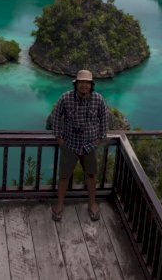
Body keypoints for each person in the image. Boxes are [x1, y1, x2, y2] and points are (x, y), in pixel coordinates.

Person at [50, 69, 108, 222]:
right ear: (76, 84)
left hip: (89, 145)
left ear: (91, 85)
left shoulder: (98, 99)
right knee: (64, 176)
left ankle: (92, 203)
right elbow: (55, 117)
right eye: (81, 82)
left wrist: (100, 139)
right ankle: (60, 205)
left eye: (87, 83)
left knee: (91, 174)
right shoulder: (66, 98)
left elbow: (104, 118)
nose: (84, 86)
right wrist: (59, 137)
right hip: (70, 144)